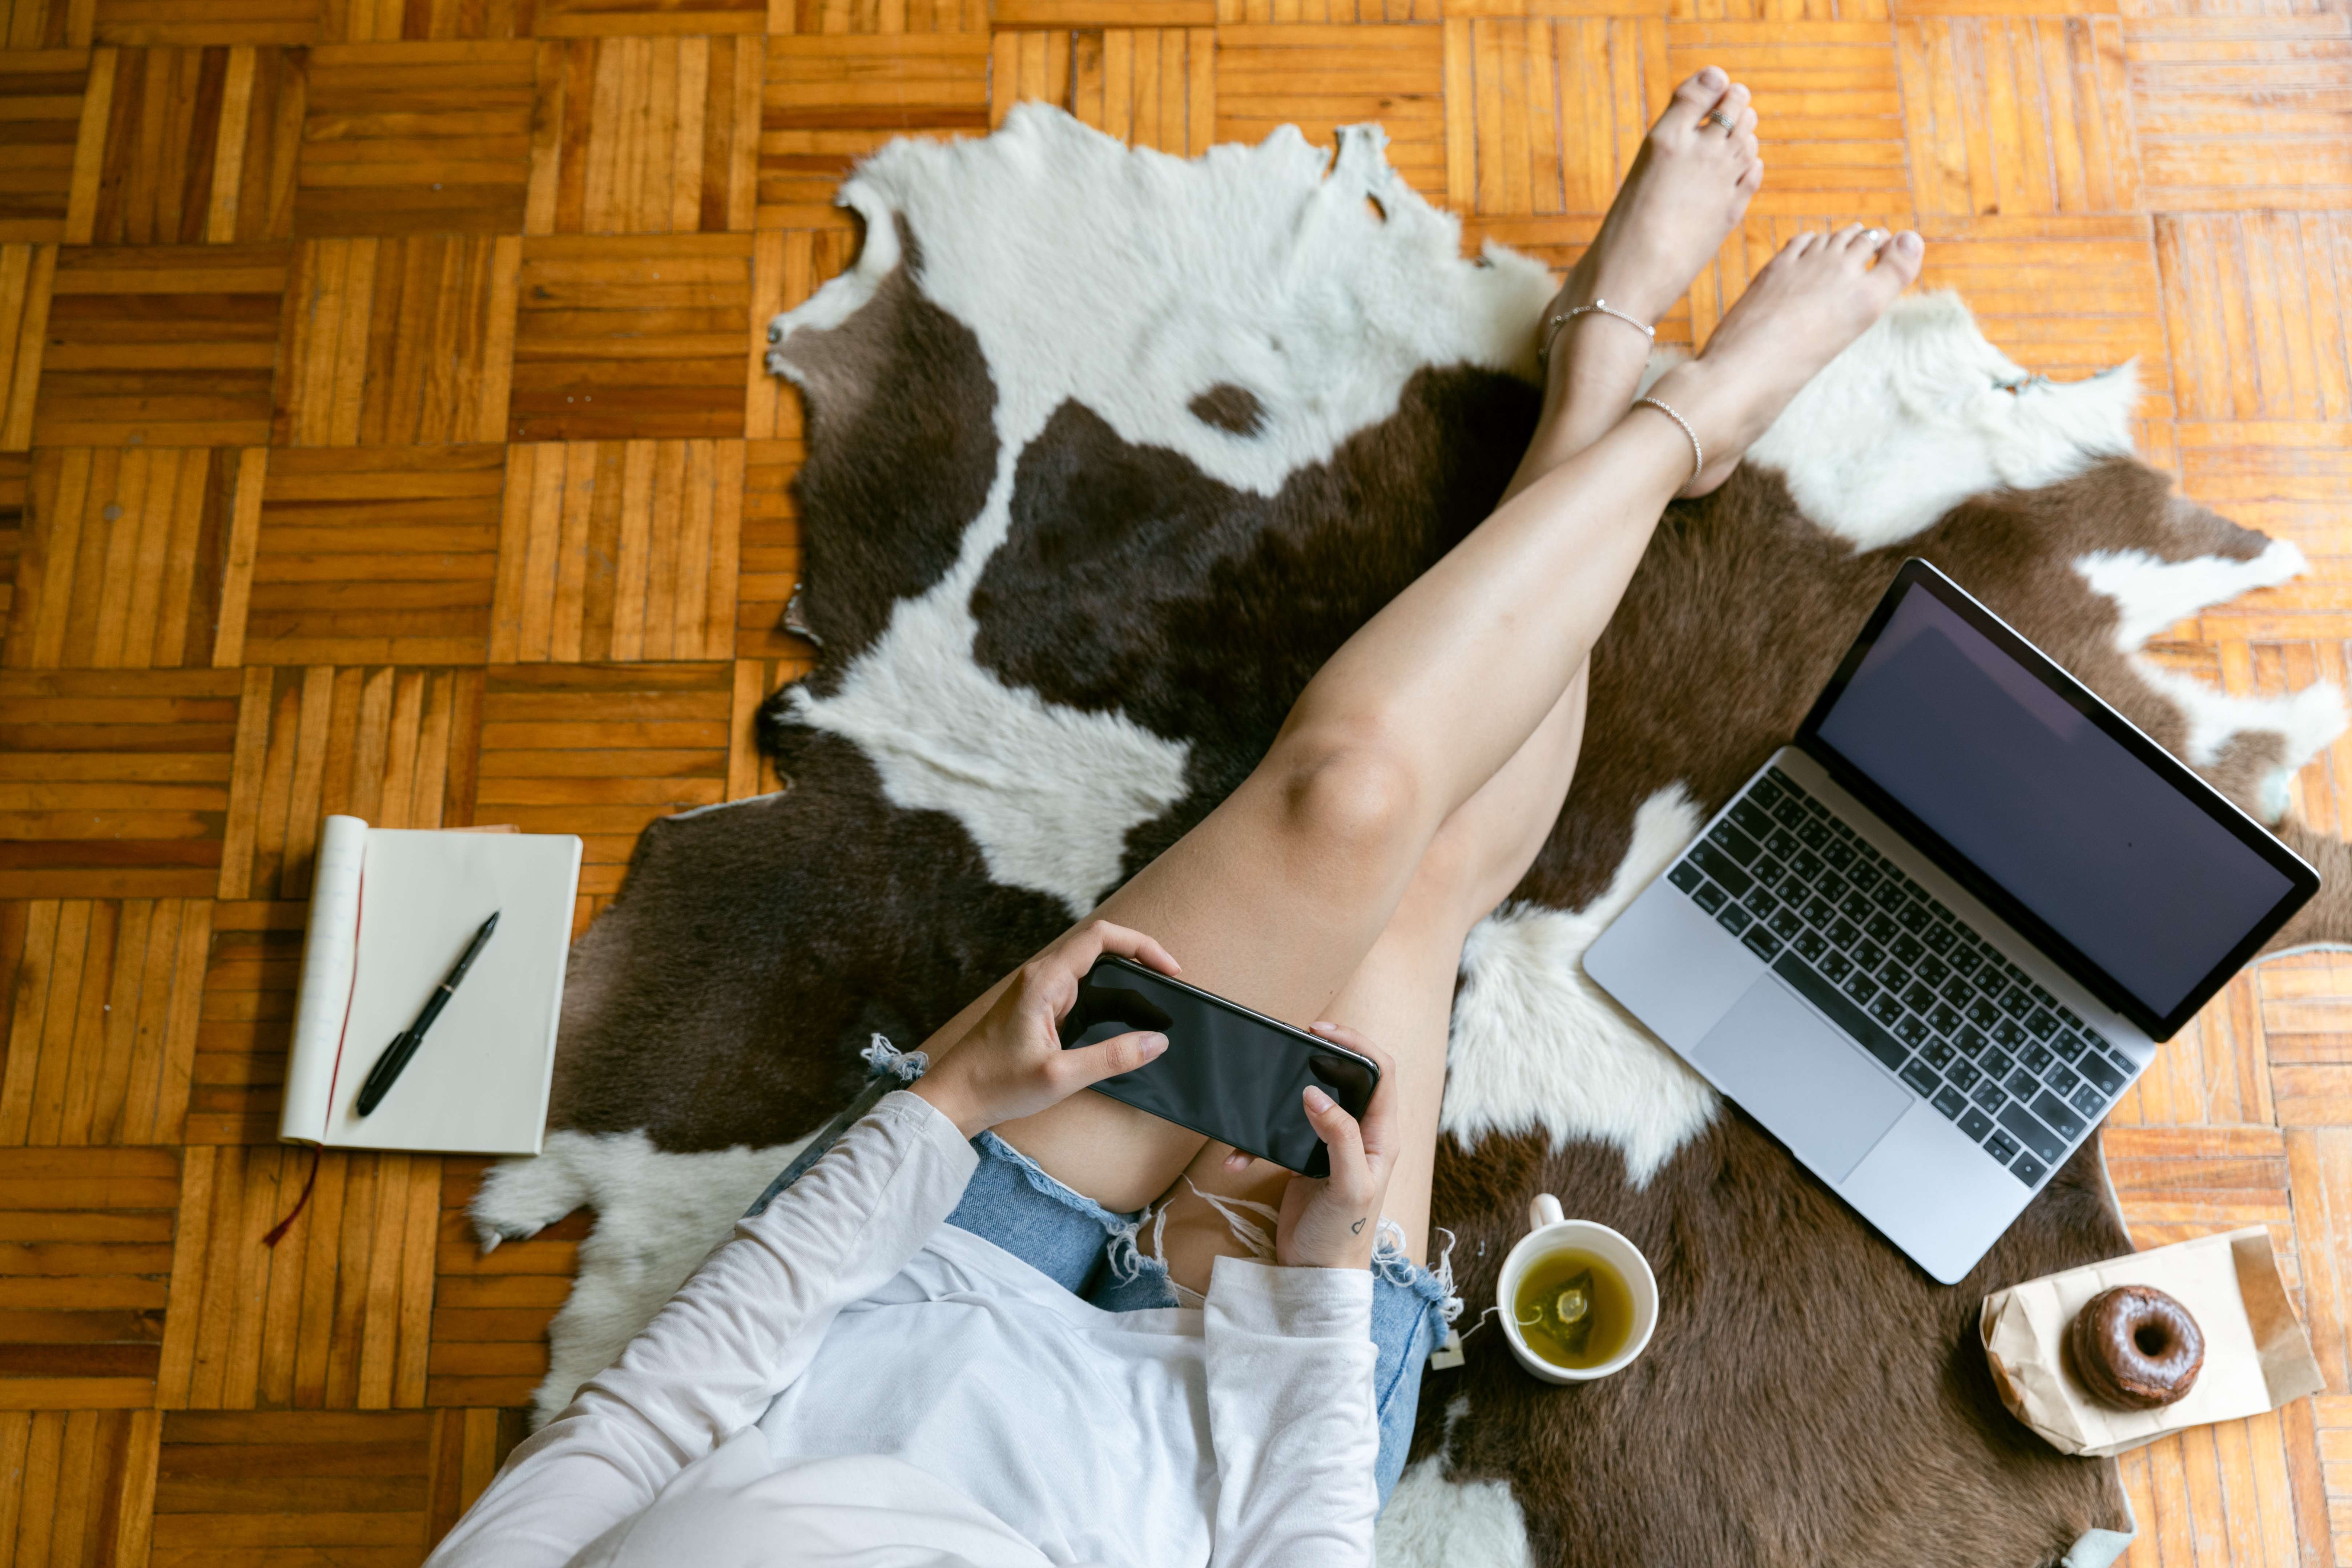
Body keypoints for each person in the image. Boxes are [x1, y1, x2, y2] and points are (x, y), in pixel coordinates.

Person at [427, 66, 1924, 1568]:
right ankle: (1621, 405)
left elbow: (634, 1426)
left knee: (1349, 801)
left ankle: (1662, 415)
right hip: (1218, 1446)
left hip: (922, 1279)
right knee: (1412, 908)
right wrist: (1331, 1280)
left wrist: (948, 1106)